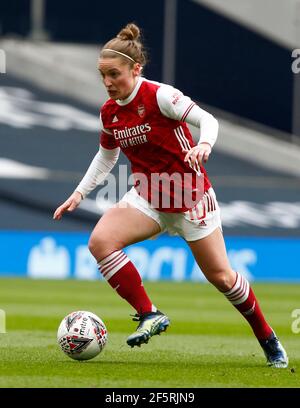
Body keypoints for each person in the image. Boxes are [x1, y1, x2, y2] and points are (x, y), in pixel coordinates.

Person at [53, 23, 288, 368]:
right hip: (148, 197)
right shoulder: (110, 112)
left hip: (190, 199)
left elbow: (208, 119)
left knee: (222, 278)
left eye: (114, 74)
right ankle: (150, 314)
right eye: (102, 75)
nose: (107, 83)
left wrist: (204, 144)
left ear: (135, 69)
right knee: (101, 242)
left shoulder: (161, 96)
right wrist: (79, 193)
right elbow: (107, 155)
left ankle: (269, 340)